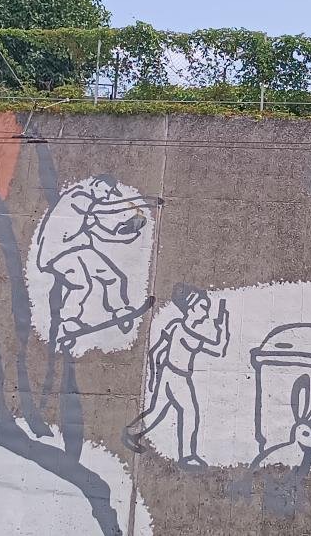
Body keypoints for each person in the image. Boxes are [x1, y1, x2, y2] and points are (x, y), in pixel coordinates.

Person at [124, 285, 230, 469]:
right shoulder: (188, 335)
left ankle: (131, 433)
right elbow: (218, 349)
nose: (206, 313)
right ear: (191, 308)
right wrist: (223, 324)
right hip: (177, 378)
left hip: (168, 373)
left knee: (157, 411)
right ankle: (187, 456)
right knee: (189, 413)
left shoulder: (175, 326)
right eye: (203, 307)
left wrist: (154, 375)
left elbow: (156, 351)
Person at [36, 175, 151, 336]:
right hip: (57, 254)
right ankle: (68, 320)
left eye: (109, 193)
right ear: (96, 184)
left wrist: (129, 230)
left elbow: (105, 234)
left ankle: (120, 309)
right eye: (106, 191)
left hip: (79, 250)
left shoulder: (91, 208)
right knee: (82, 284)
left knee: (114, 278)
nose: (106, 196)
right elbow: (105, 210)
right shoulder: (77, 197)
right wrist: (129, 213)